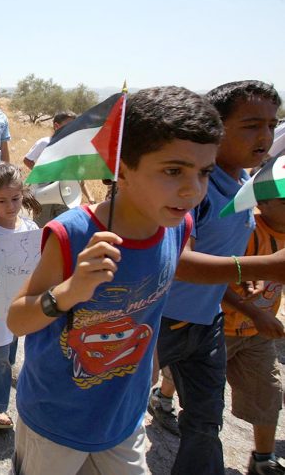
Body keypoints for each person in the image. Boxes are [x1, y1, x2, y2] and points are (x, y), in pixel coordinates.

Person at [7, 86, 224, 474]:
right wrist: (70, 292)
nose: (193, 190)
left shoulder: (177, 224)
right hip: (55, 421)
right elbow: (17, 319)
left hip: (123, 419)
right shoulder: (71, 234)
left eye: (204, 172)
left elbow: (152, 307)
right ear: (122, 168)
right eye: (173, 171)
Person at [156, 80, 283, 475]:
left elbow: (223, 256)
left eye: (271, 124)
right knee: (114, 413)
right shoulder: (198, 189)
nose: (264, 136)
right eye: (250, 125)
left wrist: (242, 280)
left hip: (207, 324)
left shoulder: (245, 184)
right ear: (216, 128)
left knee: (205, 422)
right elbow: (179, 260)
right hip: (161, 321)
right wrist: (258, 267)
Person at [221, 195, 285, 475]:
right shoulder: (247, 231)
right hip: (223, 327)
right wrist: (257, 314)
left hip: (258, 334)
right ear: (264, 202)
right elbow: (217, 278)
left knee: (268, 392)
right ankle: (163, 398)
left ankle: (263, 459)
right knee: (187, 381)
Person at [0, 162, 41, 430]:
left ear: (23, 195)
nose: (10, 206)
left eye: (15, 199)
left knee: (7, 347)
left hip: (19, 302)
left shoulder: (30, 228)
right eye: (1, 200)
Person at [23, 111, 96, 226]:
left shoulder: (74, 147)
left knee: (63, 228)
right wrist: (45, 173)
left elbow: (78, 176)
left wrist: (90, 197)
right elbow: (27, 160)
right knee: (42, 229)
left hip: (65, 195)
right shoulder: (44, 143)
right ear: (56, 126)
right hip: (44, 194)